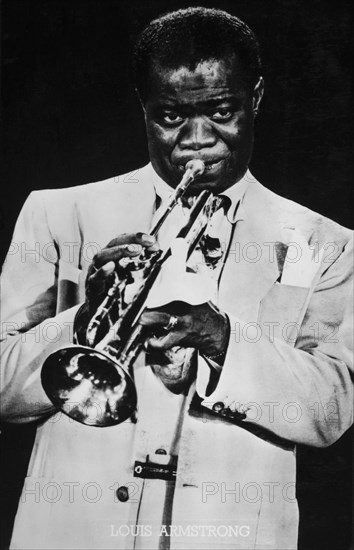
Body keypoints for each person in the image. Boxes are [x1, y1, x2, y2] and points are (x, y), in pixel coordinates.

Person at [1, 7, 353, 550]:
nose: (195, 140)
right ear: (143, 106)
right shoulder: (58, 215)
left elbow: (333, 408)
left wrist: (225, 340)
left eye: (221, 112)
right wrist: (84, 319)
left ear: (255, 98)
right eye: (170, 117)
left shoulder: (325, 242)